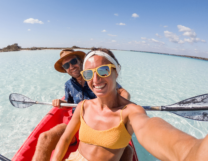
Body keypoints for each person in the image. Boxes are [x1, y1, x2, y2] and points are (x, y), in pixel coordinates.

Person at [52, 48, 208, 161]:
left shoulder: (130, 112)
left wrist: (192, 152)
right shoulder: (83, 106)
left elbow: (149, 127)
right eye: (89, 73)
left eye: (103, 70)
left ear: (116, 72)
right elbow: (65, 140)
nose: (95, 79)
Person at [32, 49, 131, 161]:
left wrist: (119, 110)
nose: (71, 67)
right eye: (66, 65)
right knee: (44, 137)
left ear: (80, 62)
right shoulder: (69, 84)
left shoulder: (96, 78)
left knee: (127, 150)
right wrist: (60, 102)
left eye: (73, 61)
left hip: (96, 125)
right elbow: (68, 103)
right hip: (75, 124)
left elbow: (122, 92)